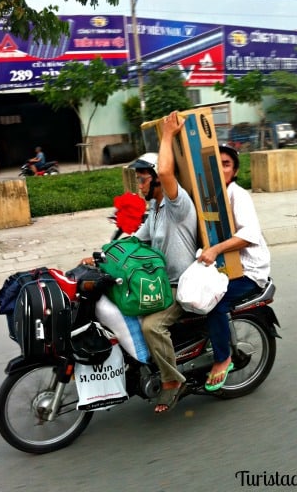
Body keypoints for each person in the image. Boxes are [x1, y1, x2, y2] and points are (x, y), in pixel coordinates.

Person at [130, 111, 198, 413]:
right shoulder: (155, 210)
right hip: (160, 283)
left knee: (151, 326)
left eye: (143, 179)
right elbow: (135, 240)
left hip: (180, 285)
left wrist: (168, 134)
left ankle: (173, 380)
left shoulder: (176, 204)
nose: (139, 186)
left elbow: (169, 174)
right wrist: (103, 255)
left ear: (157, 180)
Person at [197, 144, 271, 392]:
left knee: (214, 302)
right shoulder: (210, 196)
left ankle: (222, 358)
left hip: (249, 271)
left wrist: (216, 250)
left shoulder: (237, 194)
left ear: (235, 171)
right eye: (216, 164)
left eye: (226, 164)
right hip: (225, 269)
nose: (220, 168)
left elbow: (249, 235)